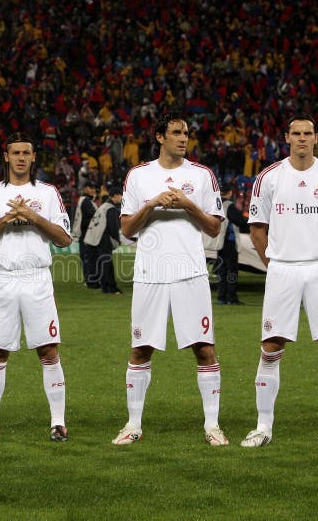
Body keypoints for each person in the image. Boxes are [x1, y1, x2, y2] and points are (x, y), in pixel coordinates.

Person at [241, 114, 318, 448]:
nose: (302, 138)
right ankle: (263, 427)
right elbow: (257, 228)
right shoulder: (268, 178)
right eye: (297, 133)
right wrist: (273, 263)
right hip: (282, 270)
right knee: (271, 347)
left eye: (308, 133)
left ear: (316, 138)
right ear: (287, 137)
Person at [112, 112, 228, 447]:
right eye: (176, 133)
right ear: (159, 137)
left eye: (186, 133)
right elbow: (127, 229)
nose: (183, 138)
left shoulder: (202, 176)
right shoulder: (139, 176)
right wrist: (151, 204)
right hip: (150, 274)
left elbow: (213, 227)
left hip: (191, 273)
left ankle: (212, 426)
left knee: (204, 349)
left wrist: (188, 204)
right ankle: (133, 425)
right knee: (141, 348)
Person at [0, 132, 72, 442]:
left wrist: (31, 216)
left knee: (48, 349)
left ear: (34, 157)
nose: (22, 158)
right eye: (16, 153)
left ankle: (57, 423)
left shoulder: (49, 193)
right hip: (2, 279)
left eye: (27, 152)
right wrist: (6, 219)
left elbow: (64, 239)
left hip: (36, 277)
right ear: (6, 157)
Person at [84, 186, 123, 294]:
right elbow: (113, 226)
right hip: (103, 237)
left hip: (94, 236)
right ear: (115, 196)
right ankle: (111, 288)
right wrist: (117, 239)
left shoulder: (103, 206)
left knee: (101, 263)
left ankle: (104, 286)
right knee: (107, 263)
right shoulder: (111, 208)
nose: (121, 198)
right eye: (120, 195)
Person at [215, 182, 249, 305]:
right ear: (230, 192)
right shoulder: (229, 205)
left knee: (221, 270)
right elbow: (240, 221)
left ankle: (221, 297)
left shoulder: (216, 205)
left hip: (219, 242)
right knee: (232, 270)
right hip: (229, 242)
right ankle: (231, 297)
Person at [72, 181, 99, 288]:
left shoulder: (84, 200)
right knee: (89, 258)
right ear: (85, 189)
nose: (93, 190)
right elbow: (95, 216)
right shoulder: (86, 201)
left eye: (94, 188)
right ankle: (90, 281)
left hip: (84, 234)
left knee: (86, 258)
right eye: (91, 188)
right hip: (87, 235)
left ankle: (89, 279)